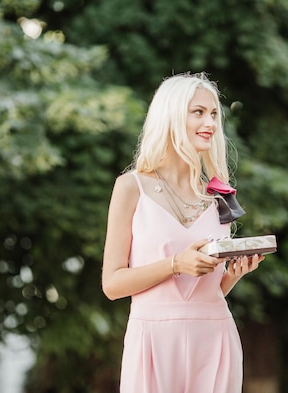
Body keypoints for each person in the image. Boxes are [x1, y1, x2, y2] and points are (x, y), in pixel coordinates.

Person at [101, 72, 263, 393]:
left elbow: (203, 293)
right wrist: (175, 263)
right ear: (172, 116)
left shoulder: (220, 196)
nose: (211, 122)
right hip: (153, 342)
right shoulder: (131, 188)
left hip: (214, 338)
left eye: (214, 113)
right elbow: (112, 284)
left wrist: (233, 274)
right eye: (198, 112)